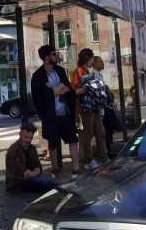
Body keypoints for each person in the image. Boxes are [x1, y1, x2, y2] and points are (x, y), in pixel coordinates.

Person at [31, 45, 80, 177]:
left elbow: (67, 88)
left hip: (64, 112)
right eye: (53, 54)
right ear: (46, 58)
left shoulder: (60, 70)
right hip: (50, 115)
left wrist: (55, 90)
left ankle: (76, 167)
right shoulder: (38, 75)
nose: (56, 56)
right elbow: (38, 97)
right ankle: (55, 168)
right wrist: (55, 91)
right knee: (52, 143)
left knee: (73, 139)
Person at [71, 49, 108, 170]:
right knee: (87, 135)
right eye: (92, 58)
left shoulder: (89, 71)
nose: (93, 60)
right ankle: (88, 160)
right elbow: (74, 91)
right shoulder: (78, 72)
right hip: (85, 109)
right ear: (87, 58)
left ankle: (103, 157)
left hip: (95, 107)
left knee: (100, 133)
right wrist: (90, 87)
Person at [5, 123, 59, 193]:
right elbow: (24, 173)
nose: (28, 140)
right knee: (50, 182)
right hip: (17, 184)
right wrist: (34, 172)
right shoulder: (14, 150)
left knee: (50, 181)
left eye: (30, 138)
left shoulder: (32, 148)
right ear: (20, 135)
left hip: (30, 179)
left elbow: (38, 168)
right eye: (25, 137)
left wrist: (34, 172)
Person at [92, 57, 123, 159]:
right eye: (100, 61)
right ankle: (104, 153)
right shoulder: (94, 75)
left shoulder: (99, 75)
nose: (102, 63)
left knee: (108, 131)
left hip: (104, 108)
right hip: (100, 109)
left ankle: (108, 151)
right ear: (94, 63)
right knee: (102, 133)